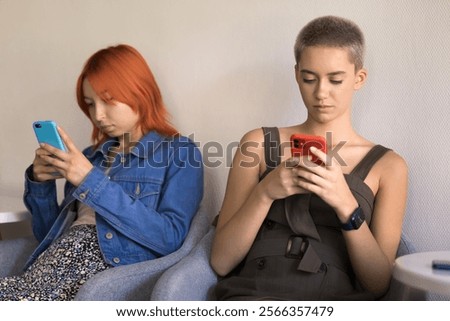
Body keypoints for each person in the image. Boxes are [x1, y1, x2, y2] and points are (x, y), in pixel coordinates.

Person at [210, 16, 408, 300]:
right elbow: (221, 261)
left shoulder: (389, 166)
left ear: (359, 79)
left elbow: (378, 284)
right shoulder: (256, 143)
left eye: (335, 80)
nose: (321, 93)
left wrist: (345, 204)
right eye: (309, 78)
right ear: (297, 75)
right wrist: (265, 193)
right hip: (253, 297)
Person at [0, 44, 203, 300]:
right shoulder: (90, 156)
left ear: (139, 92)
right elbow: (48, 234)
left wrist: (91, 181)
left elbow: (170, 238)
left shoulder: (179, 152)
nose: (98, 115)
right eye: (90, 104)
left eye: (108, 102)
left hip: (97, 270)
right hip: (52, 265)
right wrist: (41, 184)